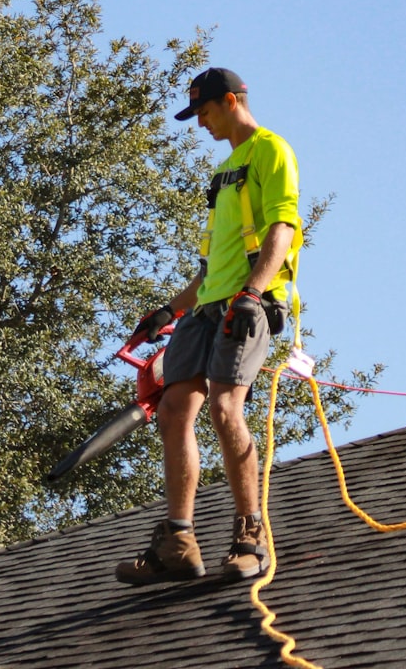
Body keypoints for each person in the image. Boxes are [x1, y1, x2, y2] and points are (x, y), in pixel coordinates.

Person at [115, 67, 301, 585]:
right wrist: (167, 312)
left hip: (247, 305)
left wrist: (254, 294)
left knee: (224, 408)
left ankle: (251, 537)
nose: (199, 124)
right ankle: (178, 540)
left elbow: (282, 229)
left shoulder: (270, 150)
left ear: (231, 101)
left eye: (204, 111)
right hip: (206, 308)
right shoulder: (224, 173)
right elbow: (208, 268)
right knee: (174, 410)